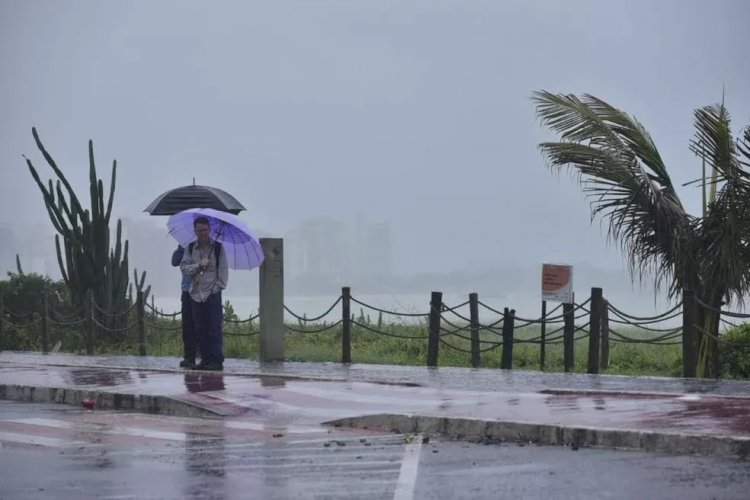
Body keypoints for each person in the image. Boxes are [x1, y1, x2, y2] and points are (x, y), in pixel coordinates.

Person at [180, 216, 228, 371]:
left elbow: (223, 273)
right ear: (195, 231)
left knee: (214, 328)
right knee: (199, 328)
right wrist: (199, 264)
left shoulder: (218, 248)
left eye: (205, 230)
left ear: (210, 229)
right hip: (195, 293)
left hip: (211, 294)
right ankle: (204, 360)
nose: (203, 233)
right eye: (199, 230)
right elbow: (184, 268)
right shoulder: (190, 248)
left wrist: (216, 289)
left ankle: (216, 360)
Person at [172, 244, 197, 368]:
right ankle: (189, 356)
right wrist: (184, 250)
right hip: (187, 290)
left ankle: (205, 356)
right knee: (187, 326)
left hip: (203, 291)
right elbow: (174, 261)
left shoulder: (209, 247)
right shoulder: (185, 246)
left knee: (203, 326)